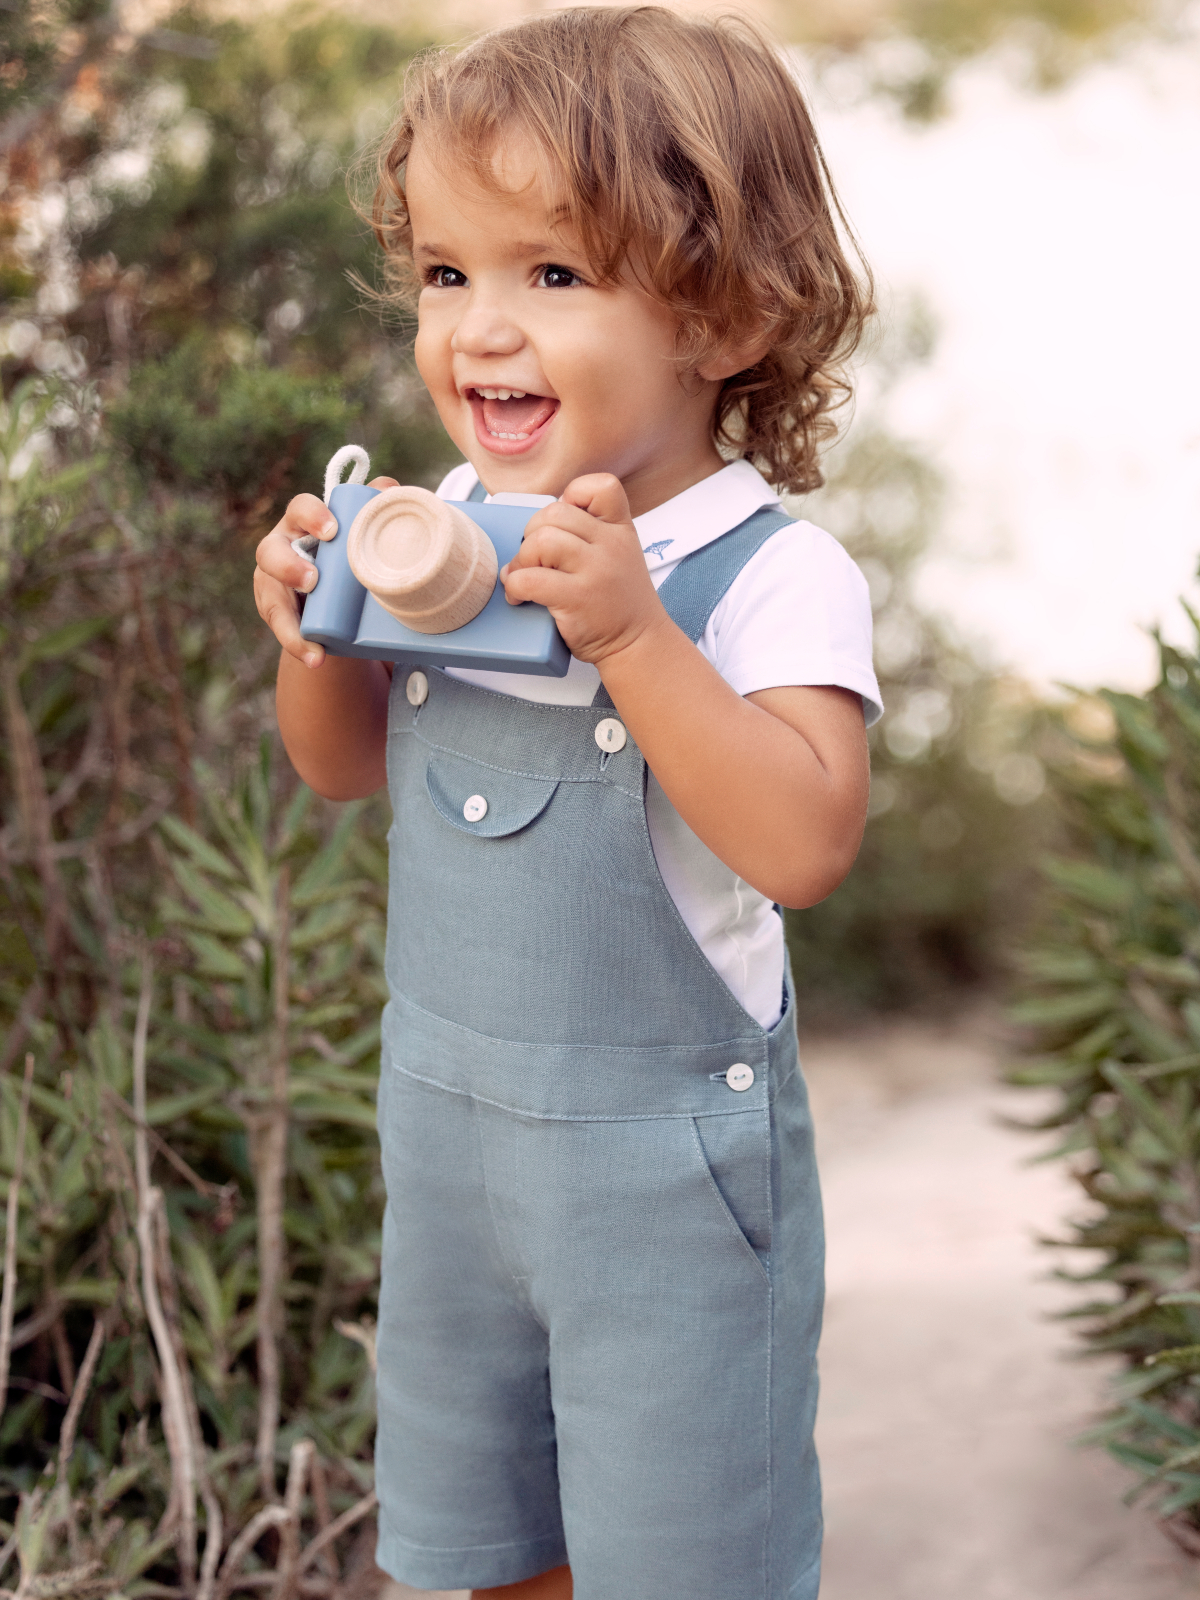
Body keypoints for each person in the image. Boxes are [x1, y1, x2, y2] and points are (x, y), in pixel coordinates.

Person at [253, 9, 882, 1597]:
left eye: (554, 274)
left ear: (725, 316)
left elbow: (802, 844)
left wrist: (633, 639)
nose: (479, 329)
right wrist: (315, 631)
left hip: (666, 1187)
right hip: (452, 1162)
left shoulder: (769, 573)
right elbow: (341, 766)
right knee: (494, 1544)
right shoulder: (444, 519)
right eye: (448, 273)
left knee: (683, 1556)